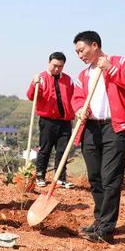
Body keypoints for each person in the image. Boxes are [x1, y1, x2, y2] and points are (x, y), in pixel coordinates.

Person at [72, 31, 125, 244]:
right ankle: (100, 219)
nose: (80, 55)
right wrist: (80, 109)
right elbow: (77, 98)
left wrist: (111, 69)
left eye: (81, 50)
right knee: (95, 177)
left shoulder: (120, 62)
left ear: (94, 45)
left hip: (114, 127)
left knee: (110, 177)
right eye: (76, 52)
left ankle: (107, 229)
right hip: (91, 128)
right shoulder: (84, 75)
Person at [26, 52, 75, 188]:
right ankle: (40, 176)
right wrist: (34, 84)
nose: (57, 69)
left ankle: (60, 178)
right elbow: (31, 96)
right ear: (49, 63)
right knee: (45, 149)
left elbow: (73, 98)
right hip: (48, 121)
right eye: (54, 65)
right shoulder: (41, 78)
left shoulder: (68, 80)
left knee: (63, 150)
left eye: (60, 66)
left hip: (65, 121)